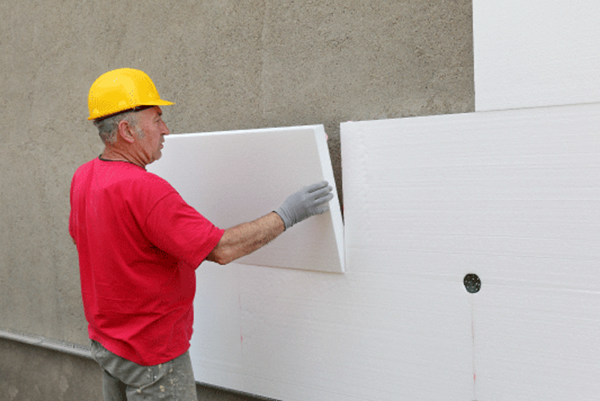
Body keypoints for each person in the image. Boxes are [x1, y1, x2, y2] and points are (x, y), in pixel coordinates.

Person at [69, 68, 334, 401]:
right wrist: (287, 214)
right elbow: (221, 249)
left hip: (108, 345)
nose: (165, 130)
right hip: (153, 356)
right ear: (126, 130)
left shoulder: (84, 177)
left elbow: (95, 243)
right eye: (157, 119)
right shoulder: (145, 189)